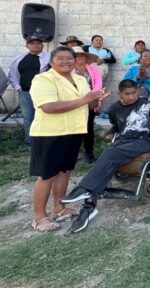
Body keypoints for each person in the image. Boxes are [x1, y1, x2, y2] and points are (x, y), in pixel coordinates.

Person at [61, 79, 150, 233]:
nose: (132, 96)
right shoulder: (114, 108)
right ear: (119, 94)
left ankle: (83, 189)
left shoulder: (148, 105)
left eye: (134, 93)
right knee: (107, 160)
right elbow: (117, 125)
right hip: (123, 141)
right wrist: (111, 132)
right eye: (127, 94)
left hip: (142, 141)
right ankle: (89, 206)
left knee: (108, 153)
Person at [28, 46, 110, 232]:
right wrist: (85, 99)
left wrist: (97, 98)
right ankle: (39, 217)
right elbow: (49, 107)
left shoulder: (79, 79)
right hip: (50, 133)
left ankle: (59, 207)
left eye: (69, 58)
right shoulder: (43, 79)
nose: (66, 61)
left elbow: (88, 105)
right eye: (61, 58)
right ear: (51, 62)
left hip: (74, 131)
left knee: (64, 171)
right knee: (47, 174)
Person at [7, 34, 50, 145]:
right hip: (25, 92)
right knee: (28, 117)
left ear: (42, 45)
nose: (35, 45)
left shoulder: (49, 58)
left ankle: (43, 139)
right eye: (32, 43)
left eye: (38, 43)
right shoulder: (20, 58)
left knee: (44, 116)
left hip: (43, 93)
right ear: (27, 46)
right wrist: (18, 88)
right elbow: (12, 74)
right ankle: (30, 140)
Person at [72, 46, 103, 164]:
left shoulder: (94, 70)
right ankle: (73, 152)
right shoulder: (69, 70)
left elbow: (98, 84)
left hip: (90, 102)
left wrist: (92, 97)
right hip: (74, 102)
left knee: (88, 128)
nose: (80, 57)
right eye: (77, 56)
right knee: (74, 128)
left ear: (85, 57)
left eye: (82, 55)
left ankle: (89, 153)